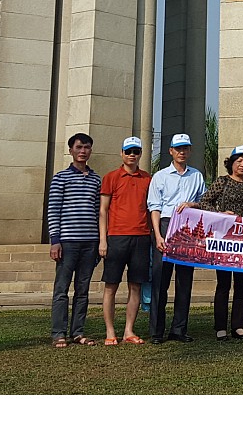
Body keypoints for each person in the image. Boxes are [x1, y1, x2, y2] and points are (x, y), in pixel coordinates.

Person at [197, 144, 243, 340]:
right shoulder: (221, 182)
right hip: (224, 240)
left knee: (242, 284)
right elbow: (204, 202)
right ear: (231, 163)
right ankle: (220, 327)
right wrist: (220, 214)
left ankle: (239, 326)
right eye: (239, 161)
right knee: (223, 284)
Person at [147, 131, 206, 343]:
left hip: (188, 229)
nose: (182, 152)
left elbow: (204, 203)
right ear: (171, 151)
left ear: (189, 150)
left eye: (185, 148)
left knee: (184, 281)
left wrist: (192, 204)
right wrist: (157, 235)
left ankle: (179, 329)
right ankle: (156, 331)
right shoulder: (160, 176)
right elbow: (154, 207)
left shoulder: (196, 176)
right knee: (160, 282)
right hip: (165, 225)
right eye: (178, 148)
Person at [98, 135, 152, 345]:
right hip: (116, 237)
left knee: (135, 285)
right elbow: (103, 210)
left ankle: (129, 330)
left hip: (141, 237)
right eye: (128, 151)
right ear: (121, 153)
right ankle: (110, 331)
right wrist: (103, 240)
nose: (132, 155)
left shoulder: (147, 178)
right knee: (111, 285)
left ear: (140, 154)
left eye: (135, 152)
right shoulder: (111, 177)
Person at [47, 132, 101, 347]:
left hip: (89, 243)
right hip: (67, 243)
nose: (82, 151)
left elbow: (98, 212)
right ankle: (58, 332)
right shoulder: (60, 178)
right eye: (78, 147)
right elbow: (53, 210)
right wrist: (55, 240)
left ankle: (78, 332)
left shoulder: (96, 179)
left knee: (83, 290)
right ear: (71, 150)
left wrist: (99, 242)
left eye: (86, 147)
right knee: (61, 290)